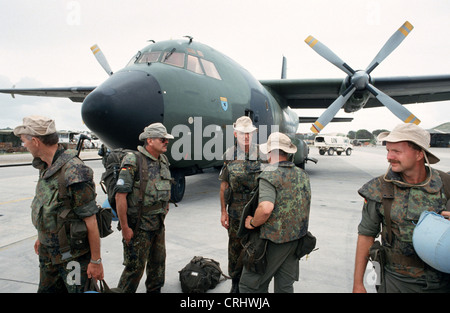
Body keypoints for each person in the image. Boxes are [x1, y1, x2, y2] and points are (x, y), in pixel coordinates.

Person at [353, 123, 450, 293]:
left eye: (396, 151)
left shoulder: (446, 184)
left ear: (419, 153)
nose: (389, 157)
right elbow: (366, 236)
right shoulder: (379, 188)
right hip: (397, 283)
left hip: (443, 281)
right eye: (388, 150)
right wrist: (358, 284)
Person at [14, 115, 103, 293]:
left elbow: (91, 221)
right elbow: (50, 208)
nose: (24, 145)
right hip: (48, 254)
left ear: (36, 141)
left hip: (72, 258)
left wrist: (95, 261)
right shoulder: (46, 167)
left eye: (24, 141)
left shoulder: (74, 171)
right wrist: (43, 236)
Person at [239, 132, 311, 293]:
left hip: (271, 242)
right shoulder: (302, 175)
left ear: (271, 152)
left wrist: (252, 222)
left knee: (250, 287)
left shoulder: (270, 174)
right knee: (285, 286)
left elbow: (265, 208)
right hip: (295, 240)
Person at [115, 122, 173, 293]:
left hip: (158, 223)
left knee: (158, 263)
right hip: (139, 225)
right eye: (163, 139)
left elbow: (165, 183)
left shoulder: (163, 159)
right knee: (135, 268)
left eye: (166, 139)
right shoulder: (133, 160)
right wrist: (125, 227)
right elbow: (120, 196)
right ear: (149, 140)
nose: (166, 142)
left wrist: (165, 205)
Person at [219, 116, 264, 293]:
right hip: (236, 211)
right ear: (235, 134)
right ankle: (235, 282)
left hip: (256, 210)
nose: (246, 137)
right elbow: (224, 186)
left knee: (257, 247)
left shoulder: (262, 154)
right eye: (242, 133)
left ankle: (254, 282)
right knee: (235, 248)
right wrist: (223, 212)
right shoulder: (229, 155)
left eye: (249, 133)